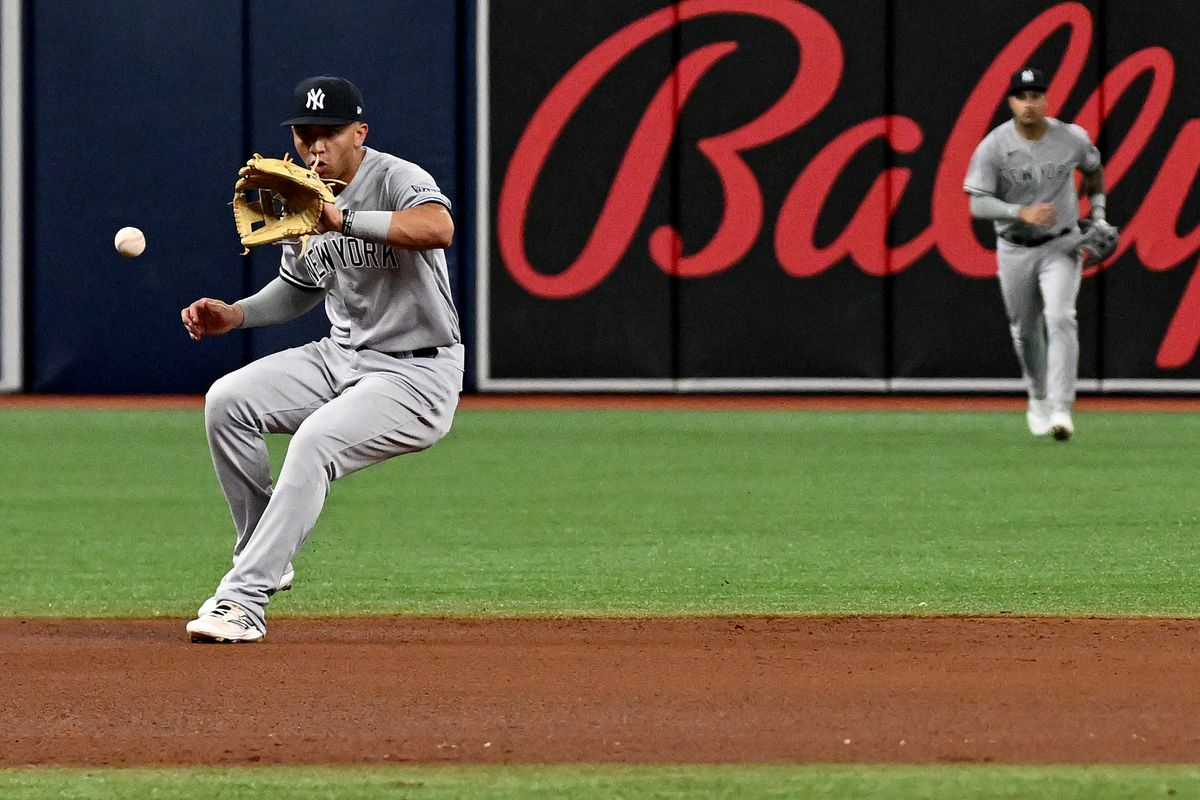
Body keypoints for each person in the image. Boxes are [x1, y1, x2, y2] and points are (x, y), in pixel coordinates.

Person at [180, 76, 463, 642]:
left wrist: (344, 220)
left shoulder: (398, 177)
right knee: (227, 401)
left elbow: (438, 228)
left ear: (359, 133)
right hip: (340, 357)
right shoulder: (302, 194)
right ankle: (268, 551)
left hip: (416, 372)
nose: (315, 147)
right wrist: (235, 315)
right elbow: (299, 287)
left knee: (315, 442)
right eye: (305, 134)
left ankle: (243, 600)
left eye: (328, 134)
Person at [963, 67, 1107, 441]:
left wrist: (1100, 214)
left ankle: (1061, 408)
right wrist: (1018, 212)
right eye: (1022, 96)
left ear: (1046, 99)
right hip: (1015, 247)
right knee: (1026, 332)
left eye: (1036, 95)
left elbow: (1093, 168)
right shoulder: (994, 146)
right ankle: (1038, 396)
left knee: (1061, 316)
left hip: (1062, 242)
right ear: (1011, 102)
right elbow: (977, 205)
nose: (1030, 103)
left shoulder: (1070, 138)